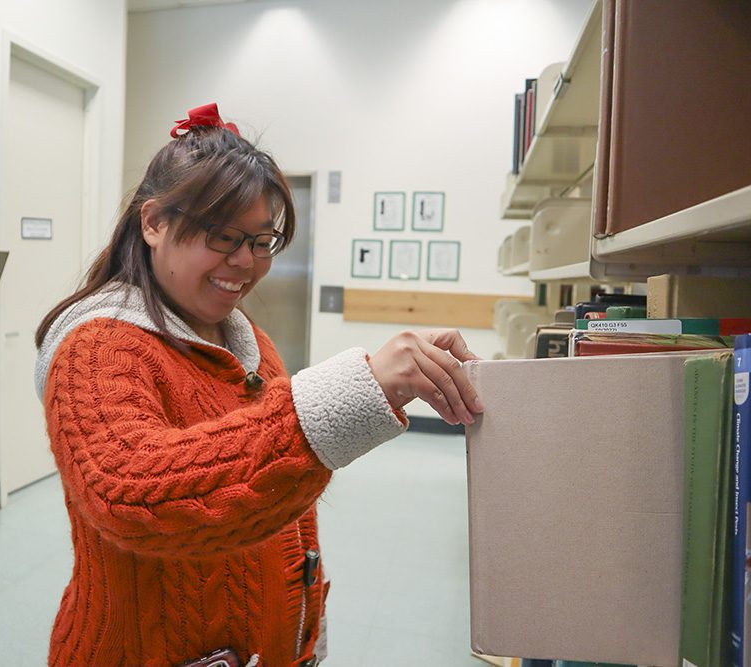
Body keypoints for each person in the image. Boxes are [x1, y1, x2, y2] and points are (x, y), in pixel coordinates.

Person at [34, 103, 484, 667]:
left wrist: (305, 629)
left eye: (262, 241)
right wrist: (355, 392)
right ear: (153, 223)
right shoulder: (99, 346)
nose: (244, 262)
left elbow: (276, 508)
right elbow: (127, 494)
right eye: (222, 236)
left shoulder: (249, 341)